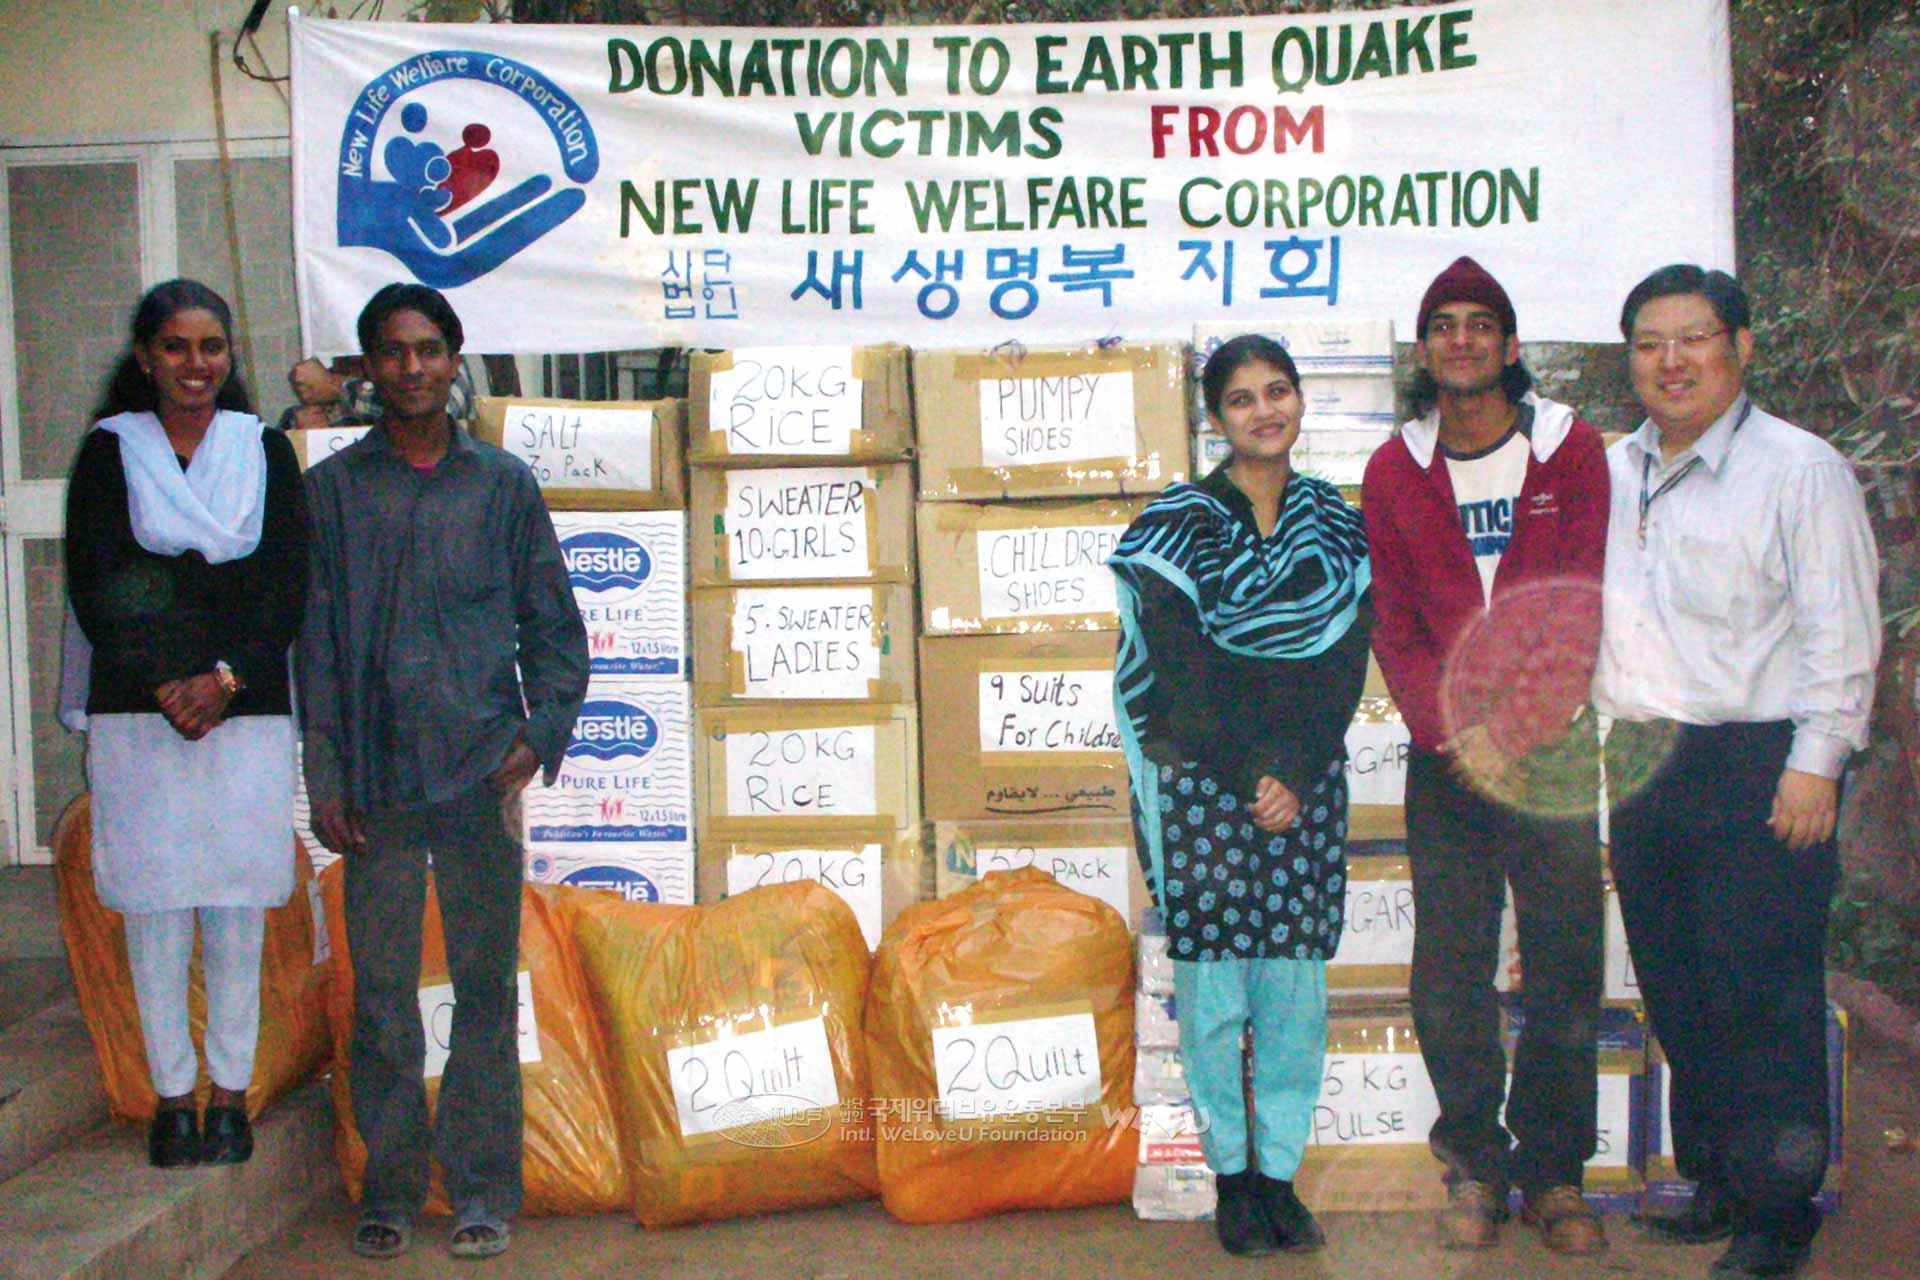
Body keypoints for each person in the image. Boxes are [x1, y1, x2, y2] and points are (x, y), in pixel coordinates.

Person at [1595, 265, 1878, 1279]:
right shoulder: (1610, 470)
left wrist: (1817, 762)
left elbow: (1841, 625)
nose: (1670, 361)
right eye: (1649, 344)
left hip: (1760, 763)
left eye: (1694, 338)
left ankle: (1776, 1213)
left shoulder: (1800, 470)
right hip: (1645, 762)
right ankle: (1715, 1181)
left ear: (1741, 346)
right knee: (1680, 988)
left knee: (1765, 997)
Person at [298, 283, 588, 1261]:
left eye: (429, 349)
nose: (412, 367)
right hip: (376, 780)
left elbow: (555, 628)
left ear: (455, 360)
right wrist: (326, 777)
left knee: (482, 990)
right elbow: (317, 648)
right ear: (369, 367)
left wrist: (537, 735)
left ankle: (482, 1189)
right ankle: (387, 1188)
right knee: (381, 995)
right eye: (393, 351)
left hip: (478, 777)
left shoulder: (501, 486)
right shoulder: (333, 494)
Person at [1361, 256, 1611, 1254]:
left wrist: (1519, 727)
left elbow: (1580, 600)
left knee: (1564, 962)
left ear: (1509, 346)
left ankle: (1554, 1172)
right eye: (1443, 325)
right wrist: (1452, 731)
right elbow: (1394, 620)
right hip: (1448, 755)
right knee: (1450, 970)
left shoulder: (1568, 449)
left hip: (1550, 747)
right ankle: (1474, 1163)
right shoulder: (1395, 468)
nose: (1460, 339)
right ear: (1425, 350)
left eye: (1479, 323)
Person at [1111, 334, 1372, 1257]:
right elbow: (1178, 670)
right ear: (1214, 417)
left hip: (1305, 784)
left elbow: (1345, 660)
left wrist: (1294, 774)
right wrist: (1246, 776)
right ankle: (1231, 1180)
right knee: (1216, 997)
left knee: (1294, 996)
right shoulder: (1176, 525)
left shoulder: (1337, 524)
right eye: (1242, 398)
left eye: (1279, 391)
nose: (1266, 411)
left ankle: (1279, 1181)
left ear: (1300, 400)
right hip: (1203, 784)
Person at [63, 278, 308, 1168]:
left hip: (246, 707)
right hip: (142, 710)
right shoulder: (110, 452)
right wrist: (169, 681)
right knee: (155, 905)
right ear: (145, 357)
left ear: (229, 356)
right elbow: (99, 581)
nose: (195, 364)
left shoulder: (264, 450)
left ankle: (230, 1096)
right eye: (176, 347)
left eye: (211, 347)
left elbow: (285, 582)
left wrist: (224, 680)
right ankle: (173, 1098)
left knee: (238, 904)